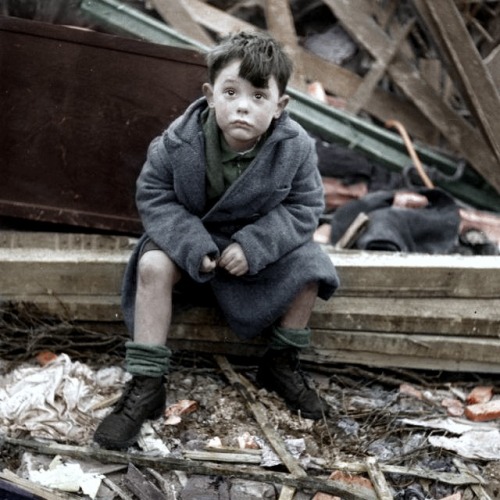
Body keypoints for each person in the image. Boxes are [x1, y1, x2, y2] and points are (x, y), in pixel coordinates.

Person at [93, 30, 340, 450]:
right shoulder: (177, 141)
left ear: (280, 106)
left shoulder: (295, 148)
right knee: (152, 266)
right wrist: (192, 244)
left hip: (254, 249)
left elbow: (305, 207)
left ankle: (280, 363)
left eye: (259, 97)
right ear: (210, 95)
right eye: (231, 92)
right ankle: (147, 381)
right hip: (192, 240)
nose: (242, 106)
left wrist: (255, 245)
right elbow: (154, 196)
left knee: (313, 270)